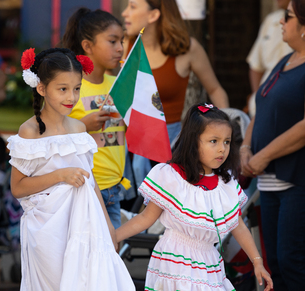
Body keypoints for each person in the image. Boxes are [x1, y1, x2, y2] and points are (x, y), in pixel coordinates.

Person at [8, 47, 137, 291]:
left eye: (77, 88)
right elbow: (18, 187)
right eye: (63, 89)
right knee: (57, 290)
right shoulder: (30, 131)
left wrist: (107, 225)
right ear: (42, 88)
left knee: (88, 286)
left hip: (84, 224)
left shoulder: (79, 128)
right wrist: (60, 176)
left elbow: (91, 182)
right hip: (48, 231)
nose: (72, 97)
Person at [116, 103, 273, 291]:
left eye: (226, 142)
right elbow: (145, 218)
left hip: (209, 261)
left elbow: (238, 226)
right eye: (213, 141)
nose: (221, 149)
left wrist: (257, 261)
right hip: (174, 259)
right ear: (193, 141)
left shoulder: (226, 185)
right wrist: (113, 237)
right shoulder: (172, 177)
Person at [121, 0, 230, 188]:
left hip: (168, 146)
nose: (124, 13)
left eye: (132, 7)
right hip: (125, 143)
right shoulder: (123, 44)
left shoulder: (187, 48)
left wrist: (224, 133)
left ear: (153, 15)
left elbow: (215, 90)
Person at [240, 1, 305, 291]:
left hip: (296, 180)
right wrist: (245, 148)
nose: (281, 22)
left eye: (288, 17)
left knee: (293, 261)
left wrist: (264, 155)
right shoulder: (286, 60)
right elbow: (260, 108)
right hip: (268, 182)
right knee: (276, 262)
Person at [62, 8, 129, 228]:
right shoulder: (71, 88)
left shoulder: (118, 86)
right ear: (87, 46)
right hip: (86, 188)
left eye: (122, 41)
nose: (120, 48)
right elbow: (47, 134)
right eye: (112, 41)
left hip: (115, 189)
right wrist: (83, 125)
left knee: (111, 257)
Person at [246, 0, 292, 117]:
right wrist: (258, 97)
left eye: (290, 18)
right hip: (261, 109)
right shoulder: (270, 20)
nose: (282, 22)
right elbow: (256, 65)